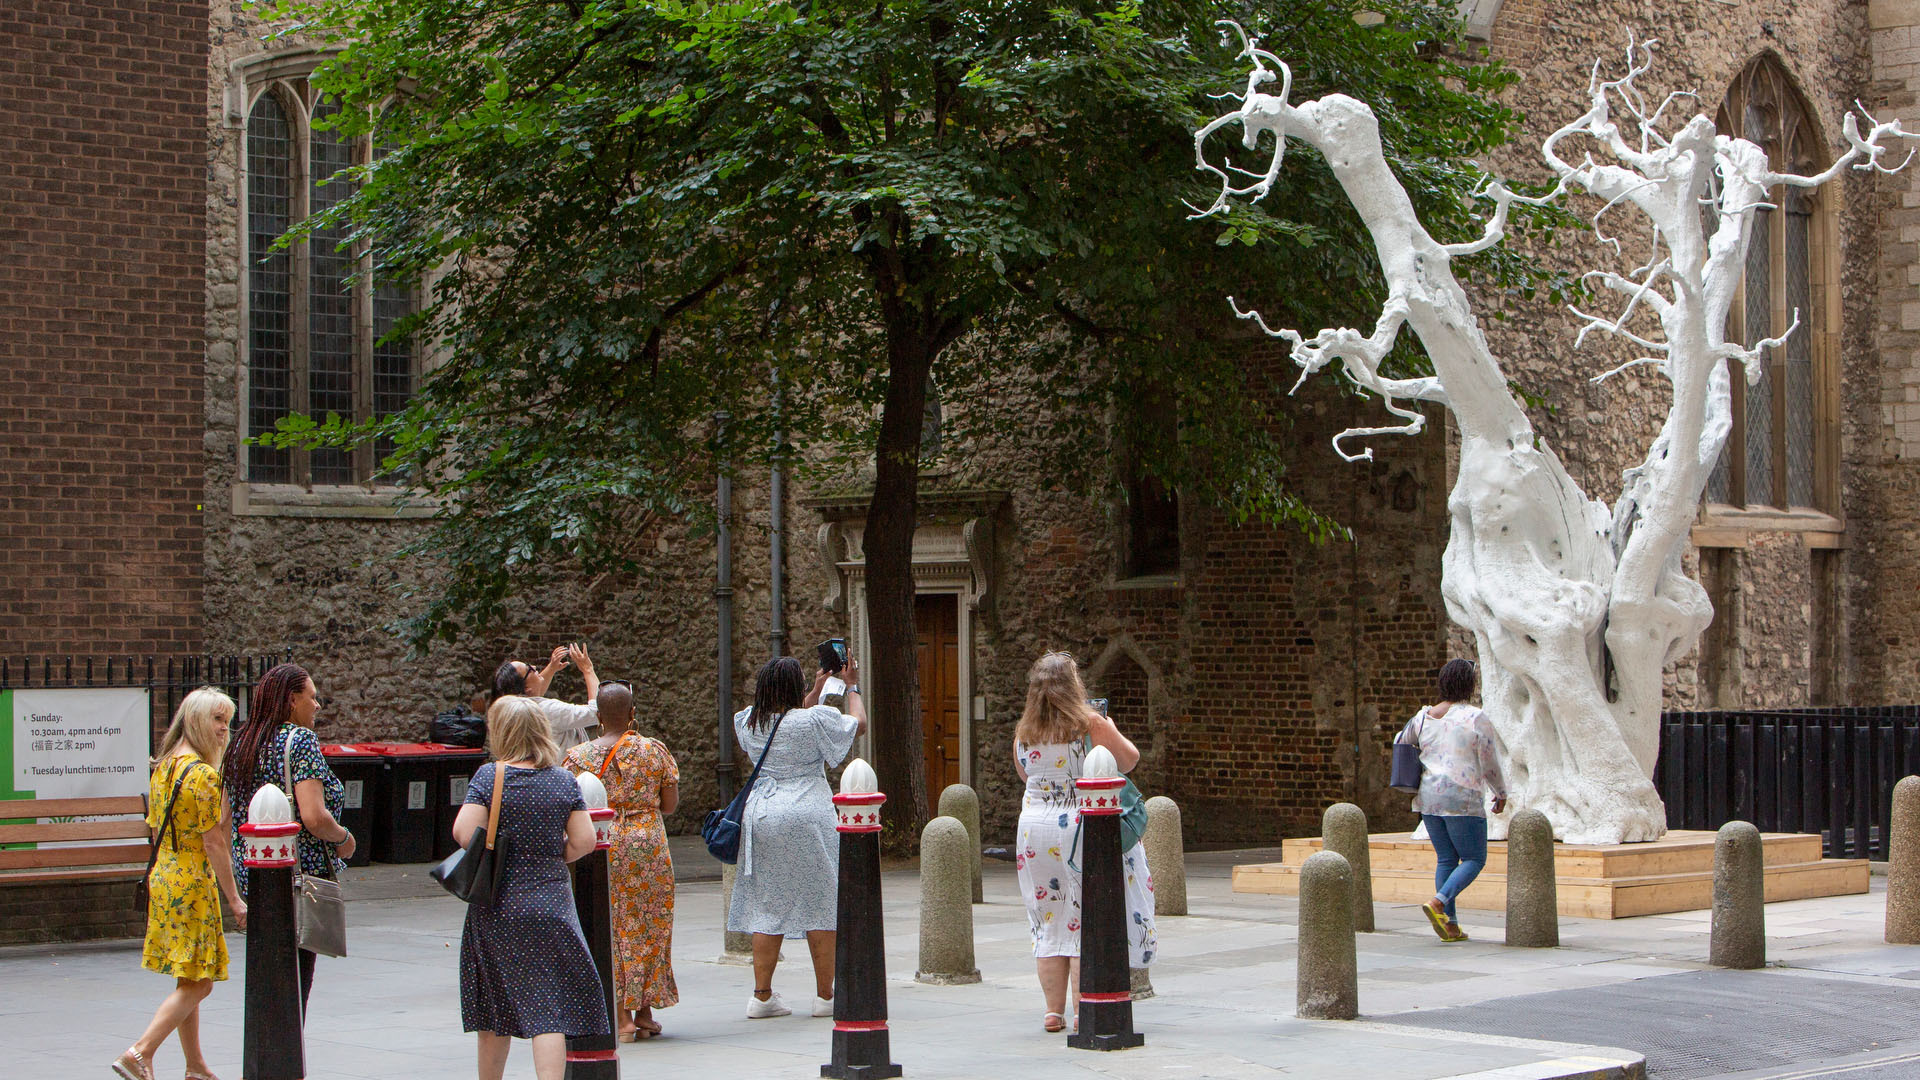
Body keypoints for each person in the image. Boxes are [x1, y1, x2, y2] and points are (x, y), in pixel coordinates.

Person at [454, 695, 608, 1080]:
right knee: (549, 1011)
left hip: (498, 905)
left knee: (493, 1008)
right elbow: (584, 841)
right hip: (552, 904)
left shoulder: (491, 777)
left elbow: (462, 832)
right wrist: (550, 856)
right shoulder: (563, 779)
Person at [1012, 651, 1156, 1033]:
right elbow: (1128, 760)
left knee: (1046, 923)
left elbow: (1025, 773)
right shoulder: (1088, 723)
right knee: (1080, 921)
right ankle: (1083, 1011)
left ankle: (1052, 1011)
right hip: (1079, 825)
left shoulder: (1025, 730)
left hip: (1033, 831)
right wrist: (1108, 725)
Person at [113, 688, 248, 1080]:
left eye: (227, 720)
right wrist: (236, 899)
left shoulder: (165, 766)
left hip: (165, 877)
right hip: (191, 880)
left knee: (189, 976)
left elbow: (159, 827)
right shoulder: (203, 775)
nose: (224, 729)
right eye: (217, 720)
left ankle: (195, 1067)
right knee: (201, 982)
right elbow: (214, 841)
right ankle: (141, 1053)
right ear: (194, 722)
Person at [727, 654, 868, 1019]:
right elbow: (858, 725)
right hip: (808, 814)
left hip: (764, 816)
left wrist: (816, 691)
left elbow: (783, 724)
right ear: (796, 687)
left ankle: (761, 996)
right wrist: (850, 686)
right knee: (820, 902)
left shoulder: (748, 722)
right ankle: (825, 996)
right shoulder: (814, 720)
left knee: (766, 906)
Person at [224, 663, 356, 1013]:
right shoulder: (300, 741)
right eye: (312, 697)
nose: (317, 705)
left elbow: (225, 818)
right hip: (298, 883)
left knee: (267, 982)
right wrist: (344, 838)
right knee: (296, 985)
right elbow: (313, 816)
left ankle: (266, 1061)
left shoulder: (241, 743)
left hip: (255, 880)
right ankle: (284, 1062)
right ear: (292, 699)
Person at [563, 681, 680, 1041]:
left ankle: (621, 1016)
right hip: (649, 846)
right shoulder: (654, 751)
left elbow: (568, 811)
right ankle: (644, 1011)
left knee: (610, 925)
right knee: (650, 926)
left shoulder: (577, 758)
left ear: (598, 717)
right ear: (632, 714)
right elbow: (670, 804)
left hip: (601, 845)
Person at [1402, 658, 1508, 942]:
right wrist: (1500, 792)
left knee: (1447, 858)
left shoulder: (1423, 716)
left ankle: (1450, 925)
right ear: (1469, 684)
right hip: (1462, 796)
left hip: (1428, 797)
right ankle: (1438, 902)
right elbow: (1489, 761)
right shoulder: (1475, 717)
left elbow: (1401, 741)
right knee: (1474, 858)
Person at [493, 643, 601, 751]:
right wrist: (588, 669)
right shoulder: (548, 709)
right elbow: (597, 712)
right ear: (525, 688)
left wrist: (552, 667)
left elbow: (535, 694)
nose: (534, 667)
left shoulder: (515, 710)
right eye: (529, 669)